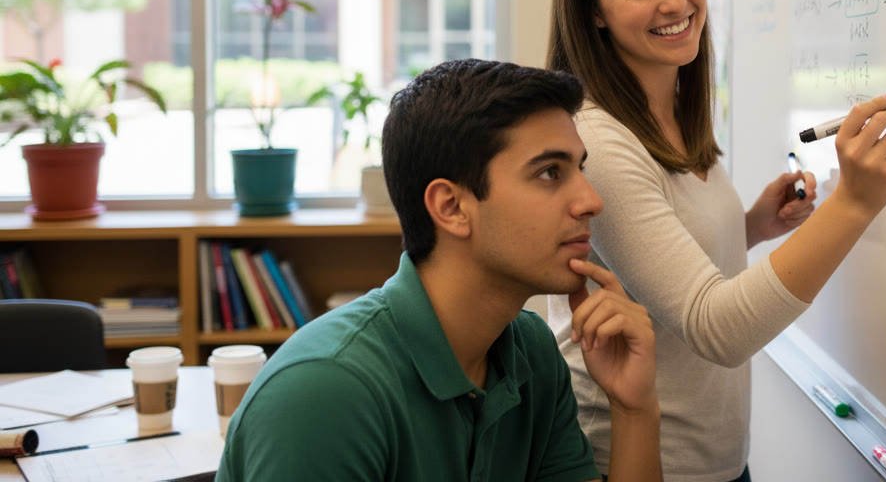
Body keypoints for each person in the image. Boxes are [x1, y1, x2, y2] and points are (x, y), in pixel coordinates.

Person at [546, 0, 886, 482]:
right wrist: (853, 203)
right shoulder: (598, 143)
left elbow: (653, 267)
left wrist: (750, 228)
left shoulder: (671, 106)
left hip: (715, 460)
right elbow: (715, 327)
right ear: (593, 11)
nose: (675, 1)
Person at [216, 59, 662, 482]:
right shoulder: (324, 392)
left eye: (578, 169)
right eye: (549, 173)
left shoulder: (531, 351)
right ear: (451, 207)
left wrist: (634, 409)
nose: (591, 201)